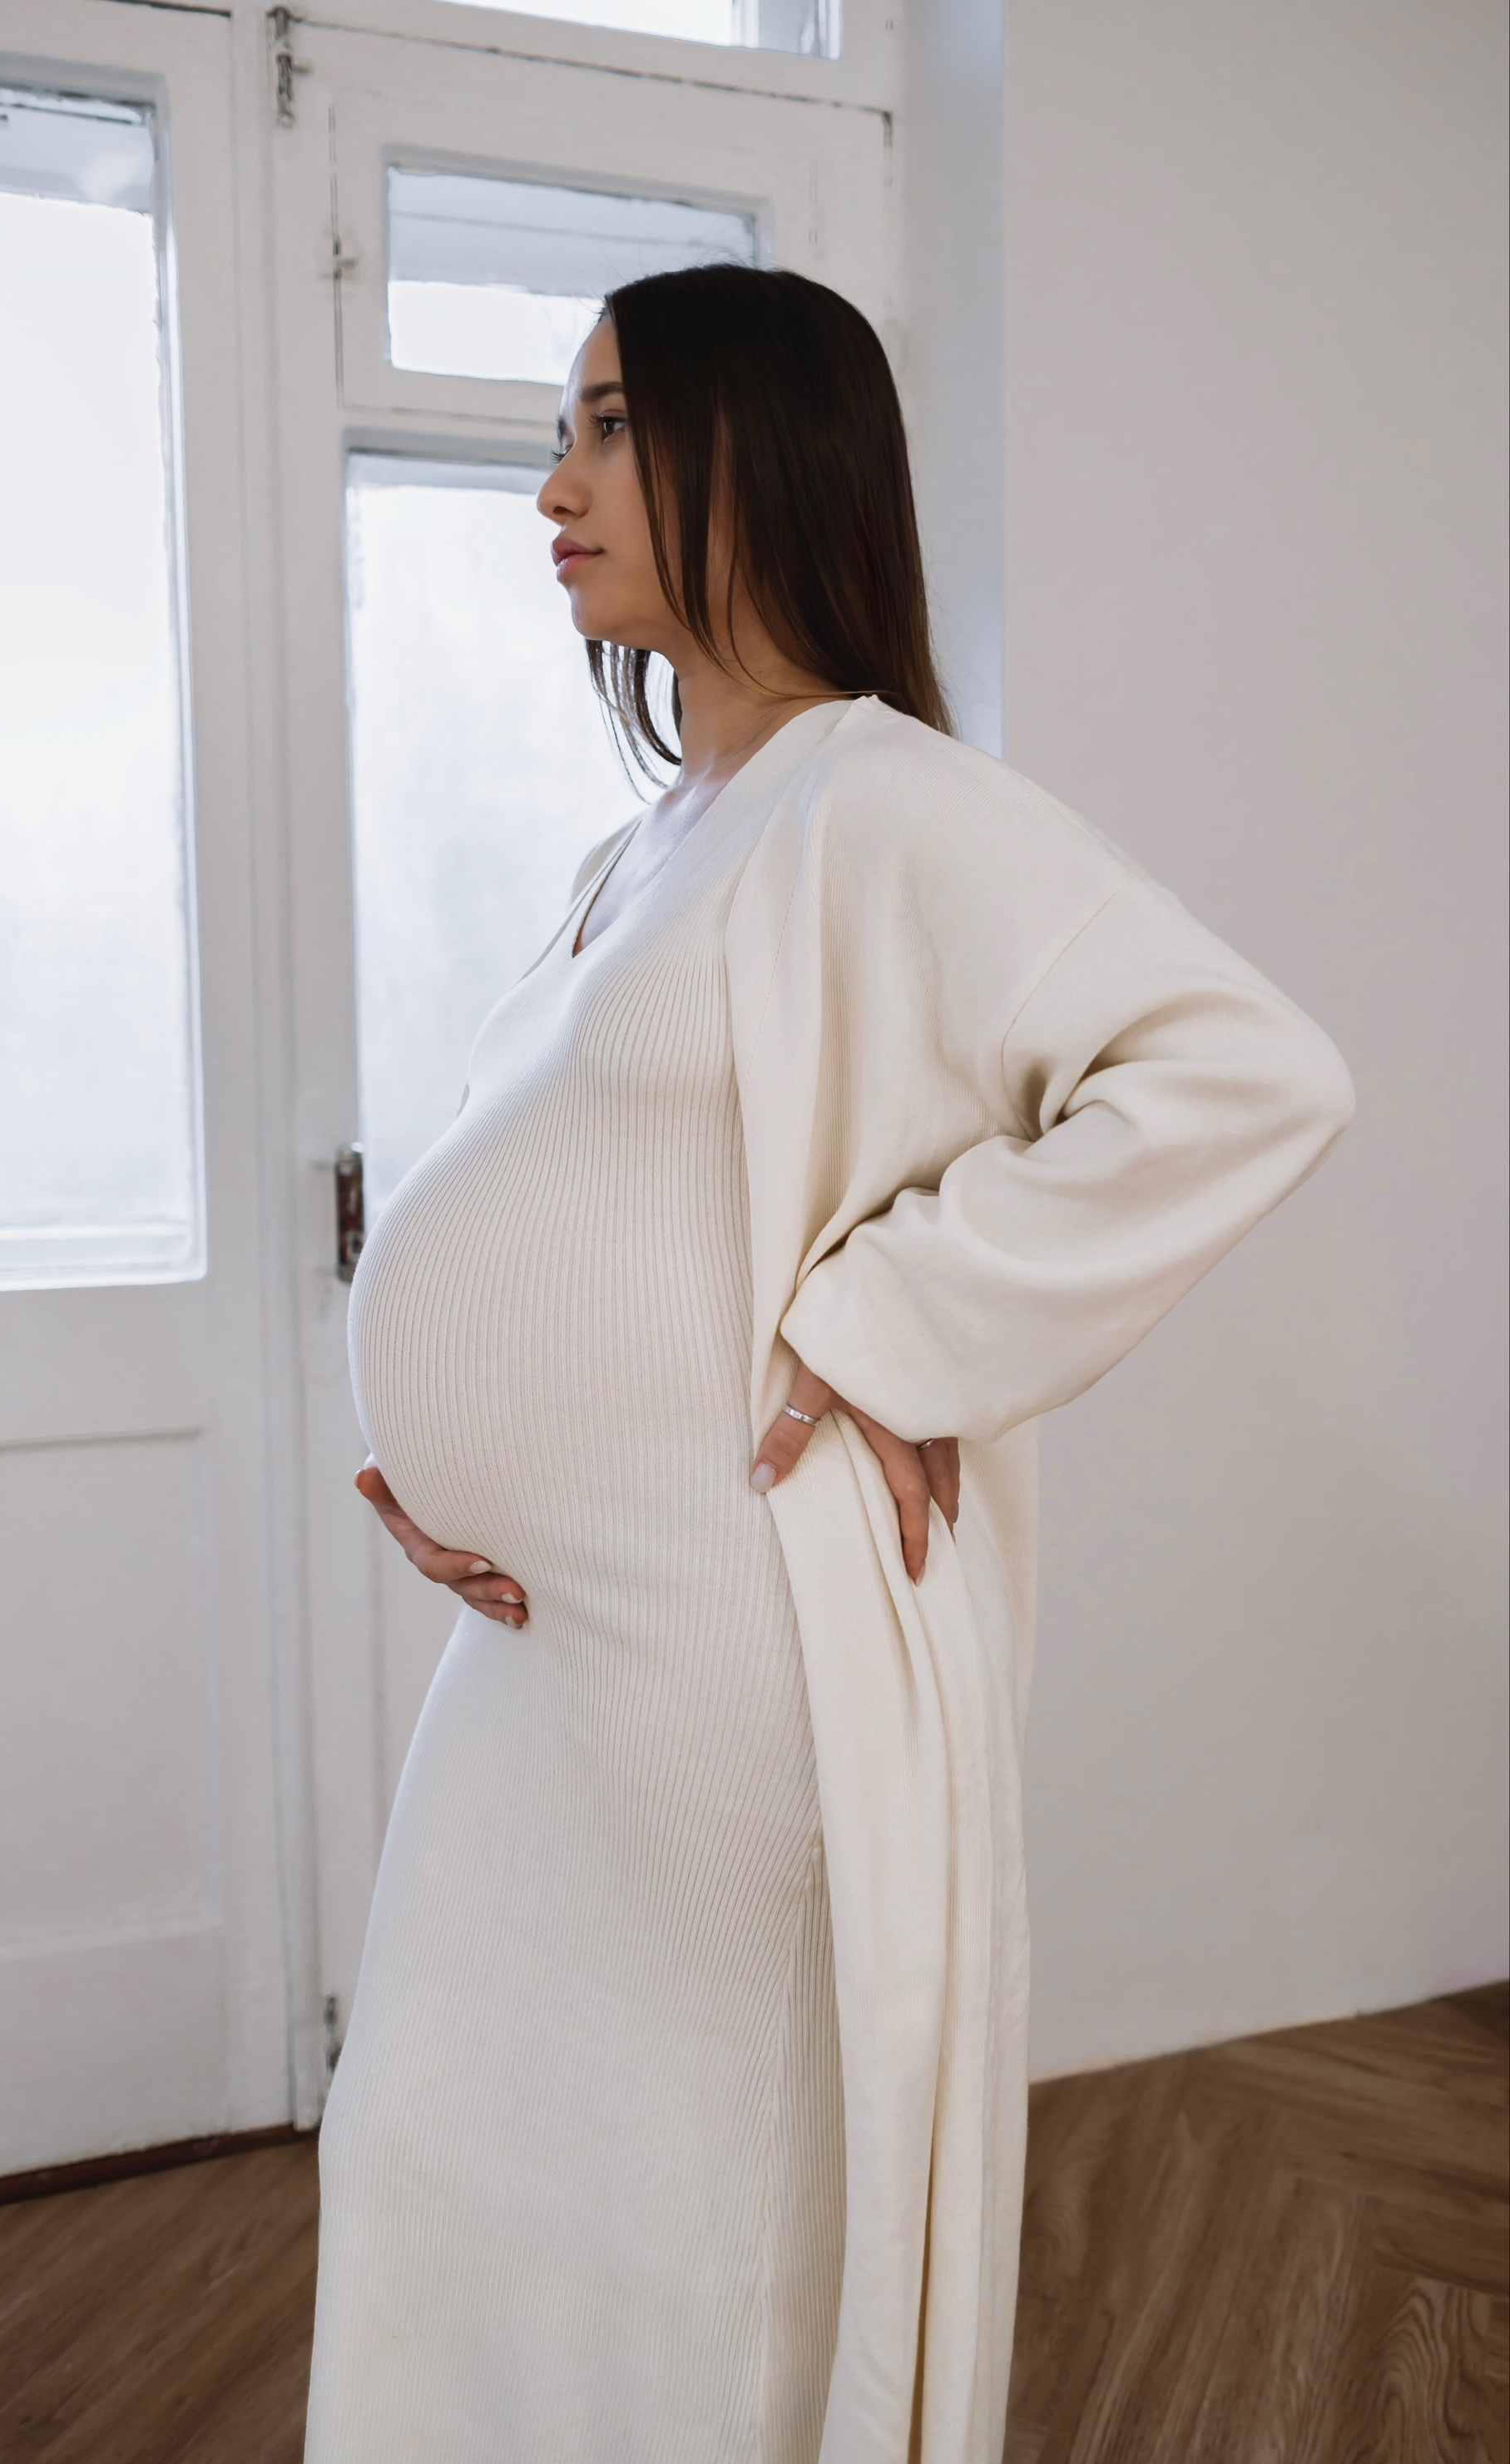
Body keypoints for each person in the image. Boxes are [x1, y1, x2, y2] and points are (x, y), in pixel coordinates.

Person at [303, 267, 1354, 2464]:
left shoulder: (882, 798)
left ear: (759, 449)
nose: (554, 485)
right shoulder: (648, 844)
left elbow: (1247, 1072)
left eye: (609, 425)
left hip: (719, 1640)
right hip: (541, 1644)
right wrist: (437, 1450)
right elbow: (598, 1217)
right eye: (562, 430)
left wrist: (893, 1336)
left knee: (680, 2216)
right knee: (437, 2143)